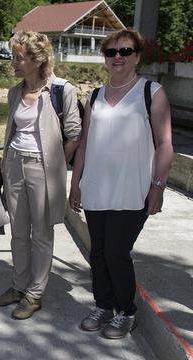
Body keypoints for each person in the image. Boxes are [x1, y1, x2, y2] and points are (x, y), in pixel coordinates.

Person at [69, 29, 173, 339]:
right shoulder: (95, 95)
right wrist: (76, 182)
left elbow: (165, 143)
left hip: (133, 189)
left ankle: (127, 311)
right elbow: (85, 142)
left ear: (137, 56)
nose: (118, 57)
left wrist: (158, 185)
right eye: (111, 52)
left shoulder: (151, 92)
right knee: (98, 252)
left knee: (116, 252)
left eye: (125, 51)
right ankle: (103, 306)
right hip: (97, 188)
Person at [0, 31, 81, 319]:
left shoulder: (61, 90)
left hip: (44, 167)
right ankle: (18, 285)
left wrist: (56, 165)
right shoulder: (15, 91)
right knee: (18, 231)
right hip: (15, 162)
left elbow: (74, 134)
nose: (13, 63)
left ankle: (35, 293)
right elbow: (14, 132)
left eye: (19, 57)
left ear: (36, 59)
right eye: (13, 56)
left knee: (41, 233)